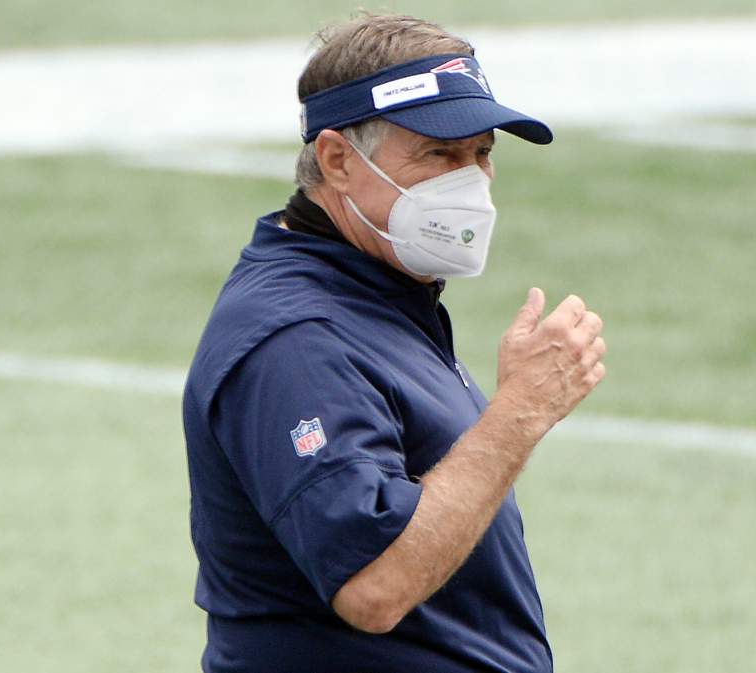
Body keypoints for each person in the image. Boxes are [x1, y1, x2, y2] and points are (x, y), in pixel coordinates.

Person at [181, 13, 607, 673]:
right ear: (337, 161)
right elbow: (374, 584)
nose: (471, 181)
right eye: (438, 155)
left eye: (481, 153)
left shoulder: (381, 292)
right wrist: (521, 411)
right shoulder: (298, 340)